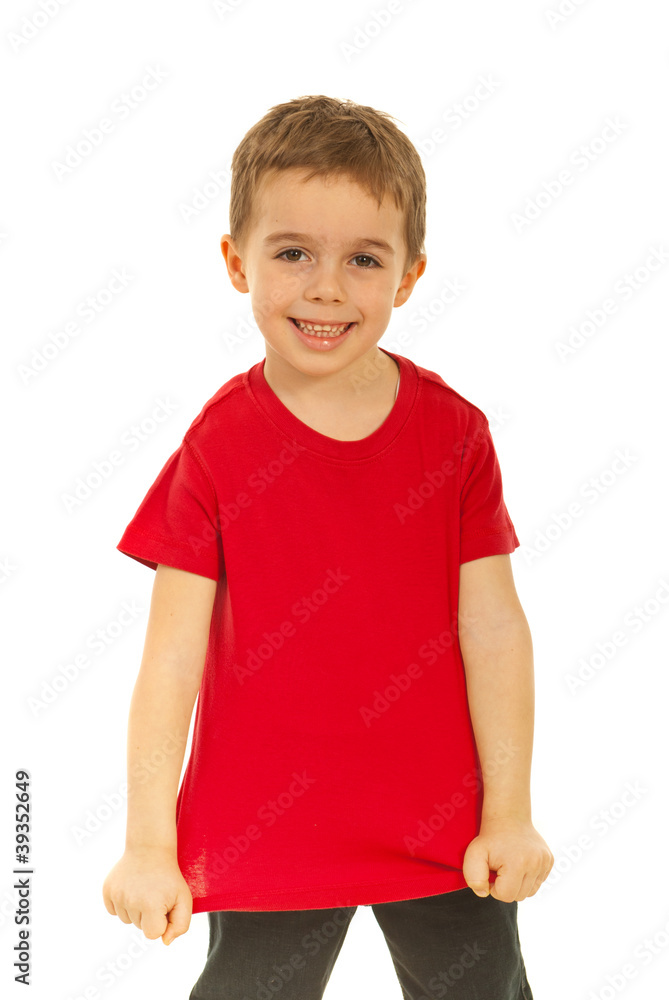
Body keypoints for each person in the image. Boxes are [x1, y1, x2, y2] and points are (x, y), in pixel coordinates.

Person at [102, 94, 553, 999]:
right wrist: (148, 843)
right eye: (293, 253)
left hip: (442, 832)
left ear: (410, 276)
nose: (326, 287)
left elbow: (495, 634)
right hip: (265, 834)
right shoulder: (218, 446)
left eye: (363, 259)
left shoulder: (455, 437)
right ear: (237, 262)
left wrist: (510, 815)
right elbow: (170, 661)